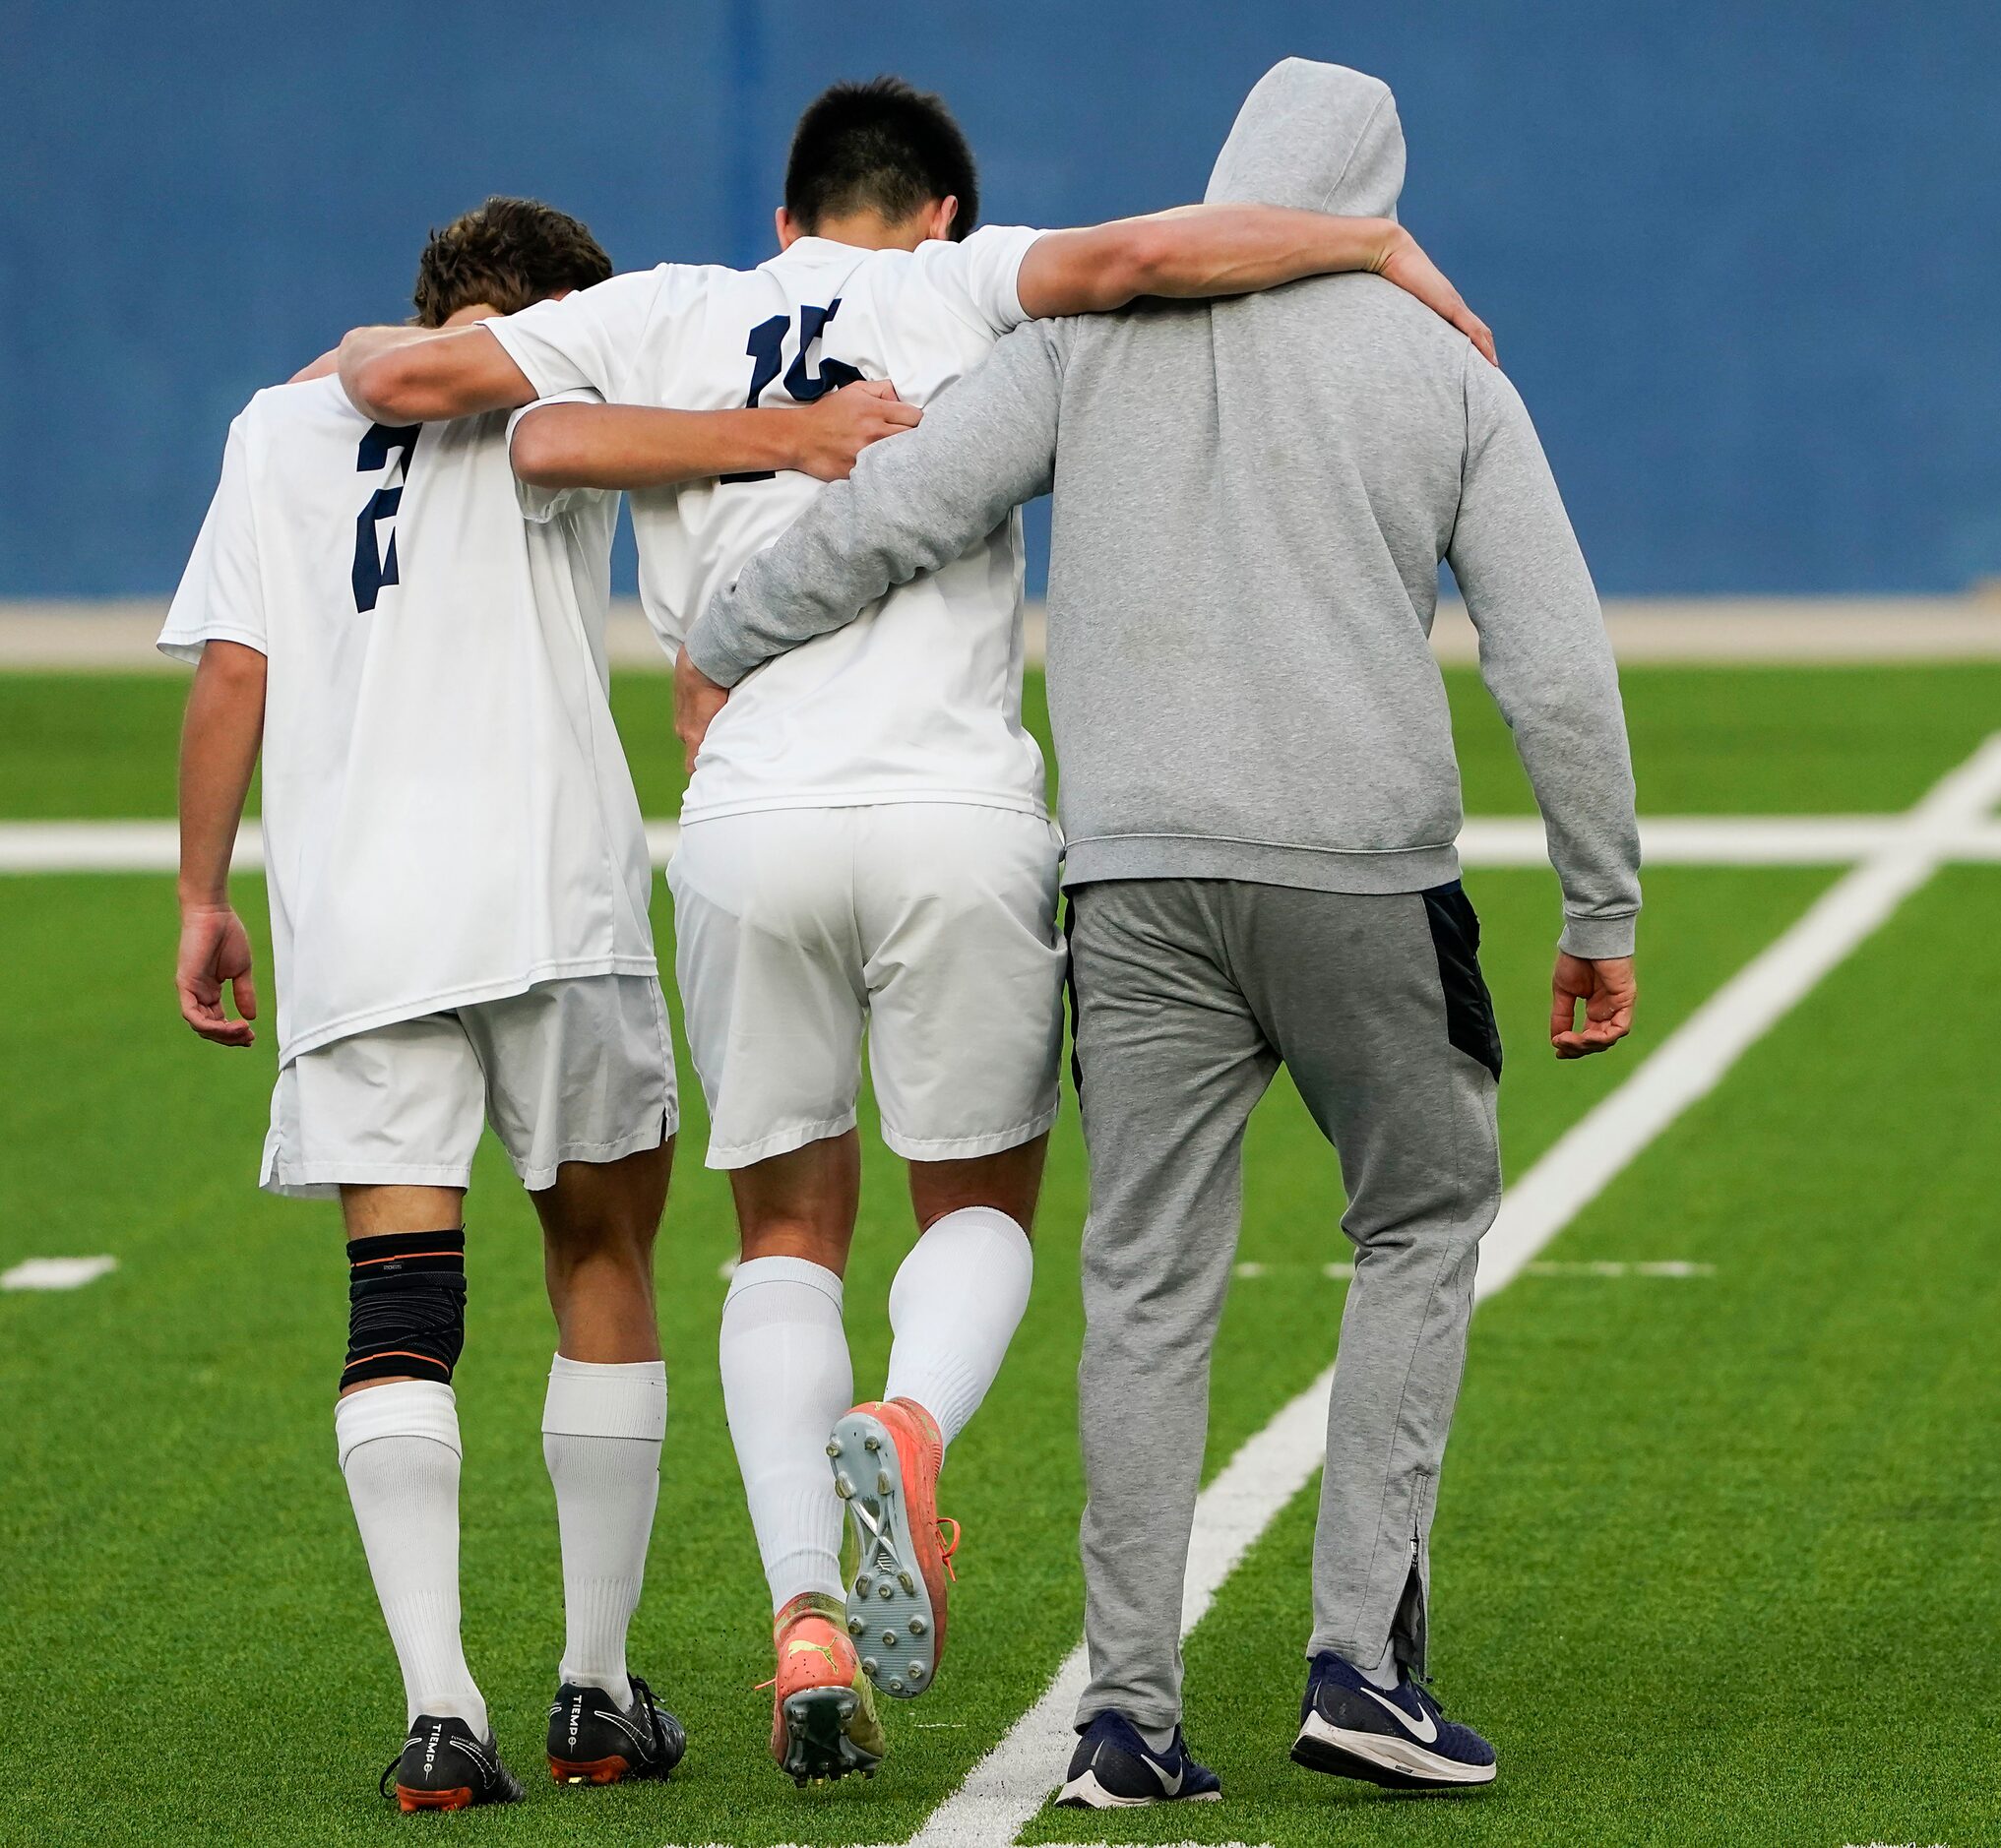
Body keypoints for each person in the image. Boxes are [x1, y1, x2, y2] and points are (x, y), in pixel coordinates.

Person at [334, 76, 1497, 1785]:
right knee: (979, 1206)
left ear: (786, 216)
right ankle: (908, 1423)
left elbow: (423, 380)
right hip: (957, 815)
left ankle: (807, 1603)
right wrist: (1368, 236)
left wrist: (724, 432)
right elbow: (1161, 255)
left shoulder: (671, 306)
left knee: (783, 1233)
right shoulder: (968, 282)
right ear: (940, 210)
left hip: (744, 820)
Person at [686, 58, 1642, 1810]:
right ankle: (1360, 1661)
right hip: (1366, 879)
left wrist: (728, 629)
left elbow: (900, 507)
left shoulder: (1082, 340)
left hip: (1130, 891)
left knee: (1141, 1283)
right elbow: (1555, 663)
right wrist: (1600, 903)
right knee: (1423, 1220)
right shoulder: (1442, 369)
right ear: (1376, 196)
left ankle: (1124, 1712)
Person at [166, 198, 905, 1811]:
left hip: (359, 933)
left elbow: (233, 667)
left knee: (400, 1303)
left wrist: (204, 892)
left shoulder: (277, 428)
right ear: (554, 313)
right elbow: (628, 434)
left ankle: (441, 1712)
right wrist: (797, 430)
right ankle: (590, 1687)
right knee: (601, 1251)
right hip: (554, 908)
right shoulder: (547, 407)